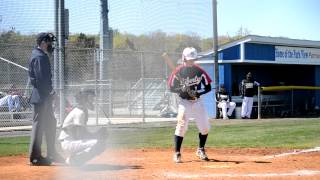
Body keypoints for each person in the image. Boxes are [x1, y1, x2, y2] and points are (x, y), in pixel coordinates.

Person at [168, 47, 212, 163]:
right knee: (181, 125)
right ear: (184, 58)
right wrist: (181, 89)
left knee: (205, 128)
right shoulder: (178, 71)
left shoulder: (199, 71)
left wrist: (198, 93)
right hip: (184, 102)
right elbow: (171, 88)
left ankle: (200, 149)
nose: (191, 62)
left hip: (197, 101)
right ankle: (177, 153)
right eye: (189, 60)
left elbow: (208, 87)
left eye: (193, 59)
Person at [28, 32, 63, 166]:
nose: (51, 45)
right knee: (39, 126)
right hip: (41, 97)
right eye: (49, 42)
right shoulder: (40, 56)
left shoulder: (39, 55)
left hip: (43, 97)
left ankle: (52, 153)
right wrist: (52, 93)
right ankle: (35, 157)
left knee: (51, 123)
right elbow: (42, 80)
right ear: (42, 42)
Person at [58, 89, 107, 166]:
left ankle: (74, 159)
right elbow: (79, 135)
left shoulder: (81, 110)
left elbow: (80, 134)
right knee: (100, 143)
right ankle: (73, 160)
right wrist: (97, 135)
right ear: (84, 99)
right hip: (68, 143)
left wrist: (96, 134)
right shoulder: (79, 113)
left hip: (70, 141)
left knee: (99, 142)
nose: (92, 101)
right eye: (90, 98)